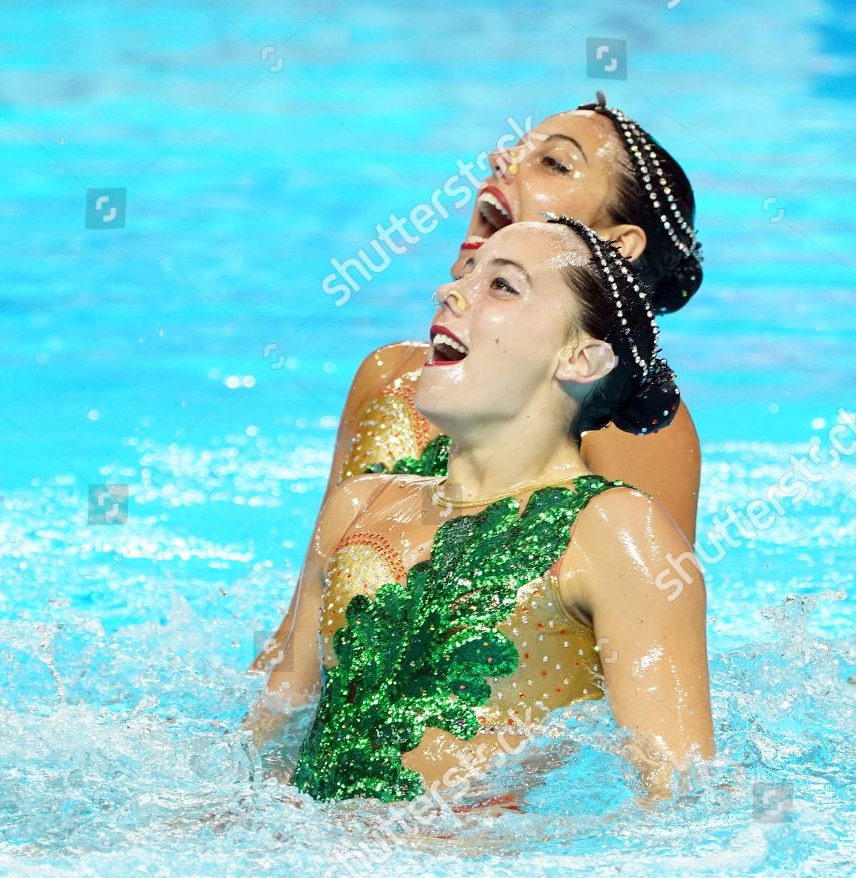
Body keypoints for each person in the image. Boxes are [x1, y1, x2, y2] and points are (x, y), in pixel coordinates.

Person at [243, 217, 713, 804]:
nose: (449, 290)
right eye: (466, 273)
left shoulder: (616, 532)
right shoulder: (358, 506)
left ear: (582, 360)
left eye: (503, 286)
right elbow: (272, 734)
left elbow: (678, 797)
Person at [251, 92, 706, 677]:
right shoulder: (391, 377)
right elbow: (302, 632)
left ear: (616, 246)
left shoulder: (626, 425)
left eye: (555, 163)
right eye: (517, 148)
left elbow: (638, 644)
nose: (502, 159)